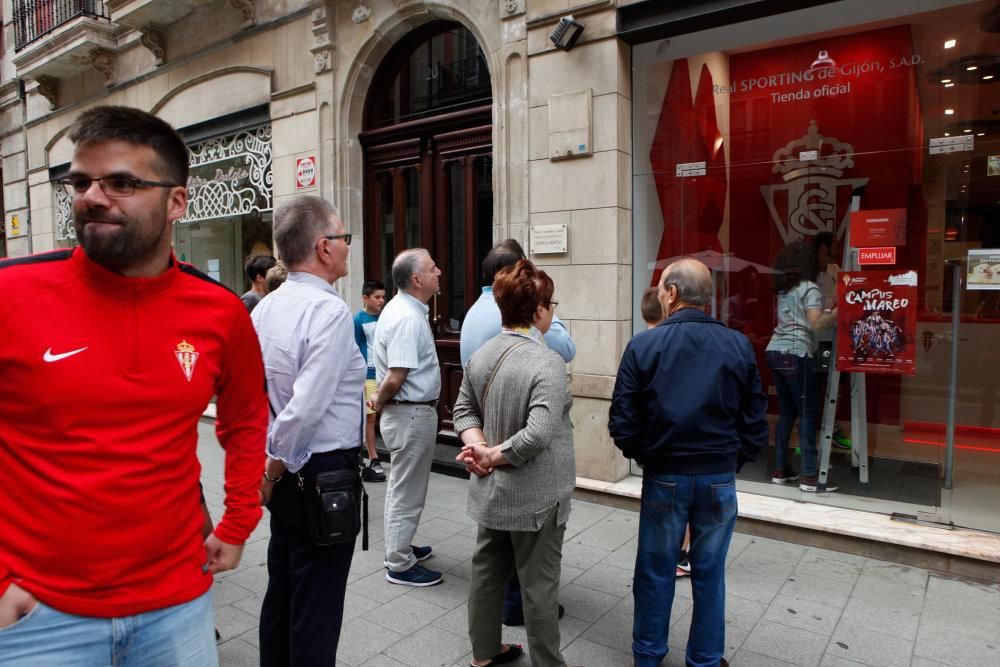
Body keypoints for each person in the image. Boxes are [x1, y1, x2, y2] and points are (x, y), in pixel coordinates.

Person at [0, 105, 266, 665]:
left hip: (178, 607)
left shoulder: (219, 313)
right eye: (81, 181)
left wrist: (239, 521)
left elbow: (245, 419)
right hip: (36, 616)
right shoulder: (13, 295)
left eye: (121, 183)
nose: (93, 197)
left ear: (176, 202)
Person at [609, 258, 768, 667]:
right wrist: (734, 459)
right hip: (717, 475)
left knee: (655, 571)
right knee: (709, 574)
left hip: (666, 474)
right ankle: (706, 659)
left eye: (662, 289)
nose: (660, 296)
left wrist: (647, 455)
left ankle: (648, 656)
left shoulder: (644, 345)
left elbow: (623, 421)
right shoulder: (738, 344)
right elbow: (755, 418)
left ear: (672, 293)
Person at [252, 196, 365, 665]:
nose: (346, 247)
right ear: (323, 247)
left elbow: (256, 395)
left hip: (288, 471)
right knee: (315, 608)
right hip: (317, 471)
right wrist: (273, 469)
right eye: (344, 238)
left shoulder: (266, 307)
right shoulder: (330, 311)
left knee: (283, 592)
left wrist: (267, 465)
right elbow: (306, 408)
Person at [454, 259, 575, 667]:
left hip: (491, 490)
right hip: (538, 497)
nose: (553, 310)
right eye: (551, 303)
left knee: (487, 573)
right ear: (538, 310)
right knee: (540, 588)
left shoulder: (483, 354)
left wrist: (479, 449)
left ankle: (484, 654)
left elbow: (463, 411)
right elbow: (540, 433)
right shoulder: (548, 362)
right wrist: (490, 453)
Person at [369, 248, 443, 586]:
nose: (439, 271)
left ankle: (402, 547)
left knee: (407, 488)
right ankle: (398, 562)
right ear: (416, 279)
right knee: (406, 491)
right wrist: (378, 401)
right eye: (432, 268)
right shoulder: (406, 318)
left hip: (411, 414)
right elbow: (396, 376)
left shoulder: (406, 311)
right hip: (410, 414)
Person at [766, 241, 839, 492]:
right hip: (797, 354)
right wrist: (842, 310)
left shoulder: (785, 289)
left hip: (775, 352)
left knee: (787, 414)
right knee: (807, 414)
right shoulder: (809, 288)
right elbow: (816, 324)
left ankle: (780, 469)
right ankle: (809, 477)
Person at [639, 286, 692, 579]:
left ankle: (672, 553)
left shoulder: (640, 345)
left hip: (655, 444)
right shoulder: (675, 345)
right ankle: (682, 553)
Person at [812, 232, 851, 450]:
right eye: (832, 246)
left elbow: (848, 299)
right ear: (823, 248)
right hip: (818, 340)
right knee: (816, 386)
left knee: (837, 387)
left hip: (837, 339)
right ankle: (809, 430)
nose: (836, 250)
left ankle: (832, 428)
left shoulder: (836, 272)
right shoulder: (809, 276)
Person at [354, 279, 388, 482]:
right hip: (369, 375)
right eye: (377, 297)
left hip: (387, 372)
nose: (381, 301)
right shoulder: (358, 319)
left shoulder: (387, 317)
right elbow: (356, 347)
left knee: (388, 413)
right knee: (371, 416)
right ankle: (373, 456)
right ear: (365, 298)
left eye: (383, 297)